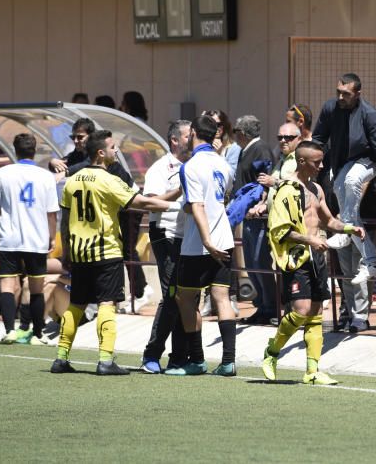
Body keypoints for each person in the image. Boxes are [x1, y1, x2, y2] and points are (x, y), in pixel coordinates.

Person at [52, 130, 175, 376]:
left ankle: (61, 357)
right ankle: (106, 360)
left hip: (78, 252)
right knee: (107, 304)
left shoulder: (72, 180)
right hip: (105, 252)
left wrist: (66, 250)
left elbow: (64, 221)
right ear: (101, 152)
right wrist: (180, 205)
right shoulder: (109, 180)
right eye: (112, 147)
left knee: (76, 304)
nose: (115, 151)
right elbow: (142, 203)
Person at [262, 140, 365, 385]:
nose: (320, 166)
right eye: (316, 162)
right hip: (297, 257)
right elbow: (280, 229)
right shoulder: (286, 189)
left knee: (317, 313)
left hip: (317, 257)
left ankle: (312, 371)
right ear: (301, 162)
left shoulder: (317, 189)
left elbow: (328, 220)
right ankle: (272, 351)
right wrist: (309, 239)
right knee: (301, 311)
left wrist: (350, 228)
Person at [166, 116, 238, 377]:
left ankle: (196, 360)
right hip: (225, 240)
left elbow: (197, 205)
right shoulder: (223, 163)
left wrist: (206, 241)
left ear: (194, 132)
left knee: (185, 298)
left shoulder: (190, 166)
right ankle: (228, 362)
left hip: (198, 245)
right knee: (222, 297)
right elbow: (220, 198)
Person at [312, 73, 376, 283]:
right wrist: (307, 160)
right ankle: (372, 262)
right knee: (339, 189)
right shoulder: (330, 108)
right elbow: (318, 138)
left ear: (358, 94)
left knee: (351, 181)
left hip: (369, 161)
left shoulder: (368, 113)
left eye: (346, 94)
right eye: (338, 93)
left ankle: (346, 229)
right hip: (344, 165)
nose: (341, 97)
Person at [0, 133, 59, 346]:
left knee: (7, 285)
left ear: (15, 150)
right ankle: (38, 334)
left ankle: (10, 331)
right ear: (34, 150)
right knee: (37, 287)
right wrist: (51, 237)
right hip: (36, 239)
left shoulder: (3, 172)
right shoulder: (46, 176)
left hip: (9, 237)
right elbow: (51, 213)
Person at [139, 120, 191, 374]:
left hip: (190, 236)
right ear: (174, 140)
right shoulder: (161, 167)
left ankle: (179, 357)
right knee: (172, 294)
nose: (193, 139)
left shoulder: (197, 164)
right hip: (166, 233)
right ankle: (151, 354)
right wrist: (178, 191)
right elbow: (149, 202)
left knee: (188, 294)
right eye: (188, 135)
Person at [231, 114, 278, 324]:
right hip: (247, 215)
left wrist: (259, 205)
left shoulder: (259, 149)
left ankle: (272, 306)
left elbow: (264, 180)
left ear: (241, 133)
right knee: (251, 261)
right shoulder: (246, 150)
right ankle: (262, 305)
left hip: (258, 216)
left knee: (260, 260)